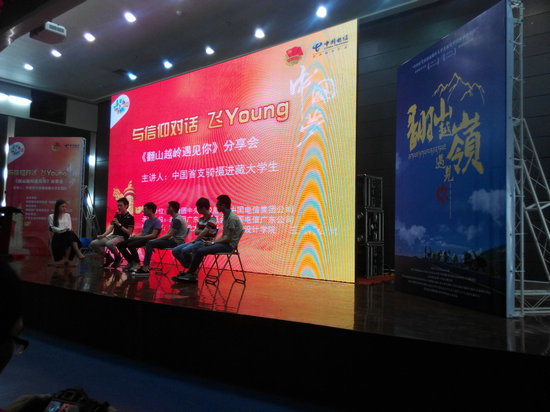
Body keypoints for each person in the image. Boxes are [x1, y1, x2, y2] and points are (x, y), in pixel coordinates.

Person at [173, 194, 242, 283]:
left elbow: (228, 238)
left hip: (229, 246)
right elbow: (223, 236)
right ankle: (191, 272)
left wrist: (213, 242)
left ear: (223, 205)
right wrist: (213, 242)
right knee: (196, 249)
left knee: (200, 250)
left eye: (217, 204)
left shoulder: (231, 218)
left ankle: (190, 273)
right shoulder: (226, 216)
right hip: (224, 243)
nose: (216, 206)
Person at [133, 201, 188, 275]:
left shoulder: (177, 220)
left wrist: (156, 239)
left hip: (176, 243)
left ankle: (145, 268)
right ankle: (145, 266)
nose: (166, 209)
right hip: (173, 240)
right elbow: (168, 234)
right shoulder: (176, 218)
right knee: (150, 242)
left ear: (171, 208)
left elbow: (169, 235)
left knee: (150, 243)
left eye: (167, 207)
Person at [171, 197, 217, 276]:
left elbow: (203, 232)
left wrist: (197, 237)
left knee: (185, 250)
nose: (197, 210)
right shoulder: (201, 219)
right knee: (175, 250)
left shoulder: (212, 218)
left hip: (205, 242)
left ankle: (191, 270)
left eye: (198, 208)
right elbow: (197, 232)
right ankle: (192, 268)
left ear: (203, 208)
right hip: (198, 241)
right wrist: (204, 231)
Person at [116, 202, 162, 272]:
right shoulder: (146, 221)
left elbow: (153, 235)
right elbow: (142, 232)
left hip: (148, 240)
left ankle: (137, 263)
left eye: (145, 209)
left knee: (131, 245)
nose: (143, 211)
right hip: (142, 238)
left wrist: (139, 237)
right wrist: (135, 236)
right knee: (120, 245)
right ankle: (131, 262)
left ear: (151, 210)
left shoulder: (157, 221)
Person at [90, 197, 134, 268]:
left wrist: (119, 225)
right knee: (93, 243)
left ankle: (118, 257)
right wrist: (103, 235)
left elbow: (129, 232)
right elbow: (111, 228)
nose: (119, 207)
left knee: (109, 243)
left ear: (126, 206)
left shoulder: (130, 217)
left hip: (122, 237)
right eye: (118, 205)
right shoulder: (117, 215)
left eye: (121, 205)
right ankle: (108, 257)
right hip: (113, 236)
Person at [48, 200, 85, 266]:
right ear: (58, 207)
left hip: (67, 235)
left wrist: (66, 230)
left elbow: (69, 227)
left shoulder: (67, 215)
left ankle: (68, 258)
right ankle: (78, 253)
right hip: (57, 236)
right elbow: (53, 228)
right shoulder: (51, 216)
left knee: (70, 233)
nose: (64, 208)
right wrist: (63, 230)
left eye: (65, 207)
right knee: (70, 234)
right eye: (63, 207)